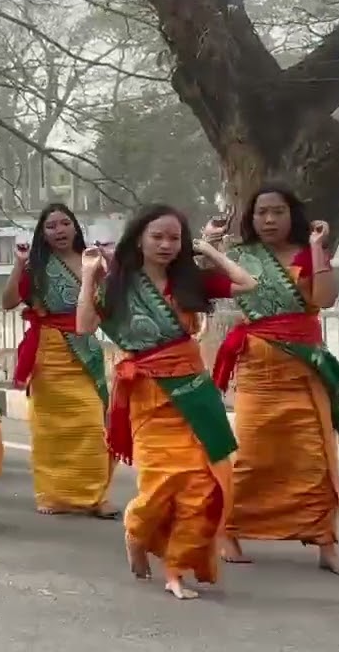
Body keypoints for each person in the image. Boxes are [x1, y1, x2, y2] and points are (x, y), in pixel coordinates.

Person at [76, 203, 257, 600]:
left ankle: (175, 567)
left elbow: (247, 284)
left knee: (203, 486)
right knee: (160, 485)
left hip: (194, 395)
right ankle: (137, 532)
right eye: (157, 236)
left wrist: (209, 251)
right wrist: (89, 276)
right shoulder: (119, 285)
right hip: (149, 398)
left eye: (174, 238)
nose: (165, 244)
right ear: (138, 239)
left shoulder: (189, 283)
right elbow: (85, 325)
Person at [207, 183, 339, 576]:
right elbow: (199, 285)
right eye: (262, 213)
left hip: (304, 372)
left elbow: (324, 299)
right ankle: (229, 532)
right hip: (257, 375)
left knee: (314, 461)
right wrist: (209, 243)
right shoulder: (239, 257)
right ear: (251, 218)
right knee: (251, 456)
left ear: (292, 215)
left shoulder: (308, 254)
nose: (270, 219)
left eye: (278, 212)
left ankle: (325, 543)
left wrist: (318, 247)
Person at [1, 203, 115, 518]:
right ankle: (52, 495)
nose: (59, 230)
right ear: (42, 233)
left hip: (85, 350)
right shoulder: (36, 267)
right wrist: (18, 265)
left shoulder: (92, 261)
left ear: (75, 227)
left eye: (65, 223)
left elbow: (110, 303)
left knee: (93, 424)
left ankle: (95, 496)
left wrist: (110, 265)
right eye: (50, 226)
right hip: (49, 352)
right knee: (51, 431)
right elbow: (8, 301)